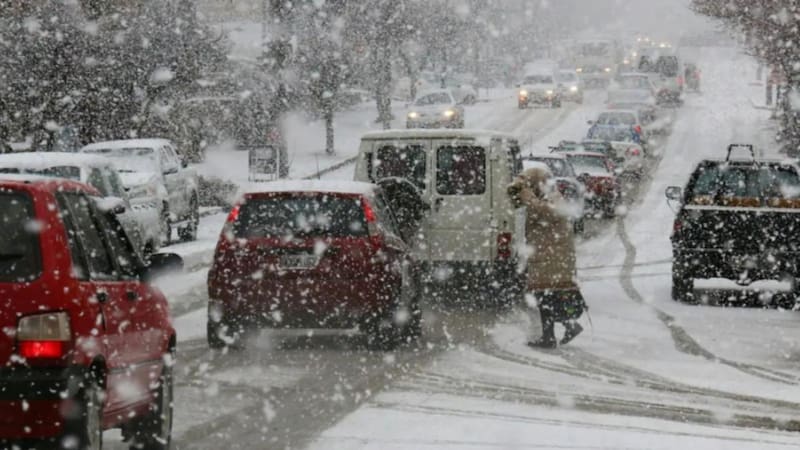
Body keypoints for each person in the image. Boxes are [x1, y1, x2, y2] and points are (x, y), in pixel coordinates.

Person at [507, 166, 586, 348]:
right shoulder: (544, 197)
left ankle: (558, 332)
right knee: (547, 296)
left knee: (546, 296)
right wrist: (520, 189)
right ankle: (558, 332)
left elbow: (541, 212)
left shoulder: (553, 198)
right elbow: (520, 204)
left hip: (553, 257)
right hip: (548, 256)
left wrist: (526, 194)